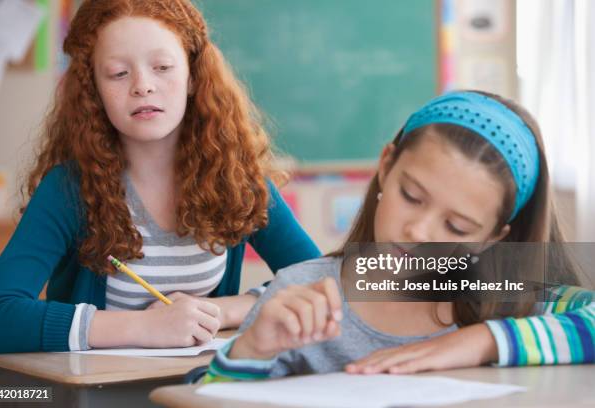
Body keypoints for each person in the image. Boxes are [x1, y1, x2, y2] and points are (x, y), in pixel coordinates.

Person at [0, 0, 320, 354]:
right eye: (117, 73)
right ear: (94, 90)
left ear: (193, 76)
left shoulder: (237, 179)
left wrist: (221, 311)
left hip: (199, 392)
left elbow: (324, 282)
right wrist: (144, 326)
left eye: (162, 67)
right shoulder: (67, 189)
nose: (142, 86)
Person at [203, 90, 594, 382]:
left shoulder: (511, 296)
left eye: (456, 228)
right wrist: (249, 350)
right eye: (411, 196)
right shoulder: (300, 294)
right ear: (386, 165)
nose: (419, 231)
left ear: (491, 238)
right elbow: (204, 399)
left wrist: (482, 341)